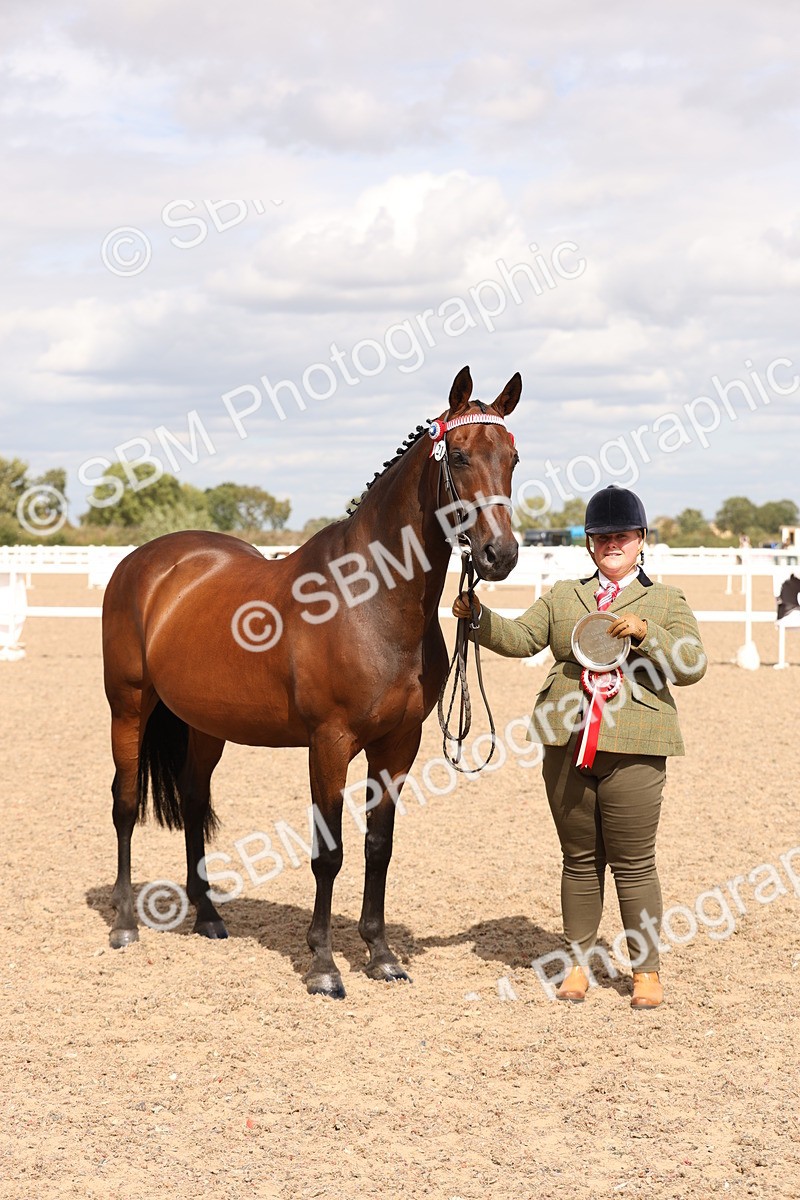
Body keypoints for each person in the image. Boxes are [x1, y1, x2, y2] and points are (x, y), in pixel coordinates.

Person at [452, 485, 706, 1009]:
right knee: (579, 859)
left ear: (640, 541)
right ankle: (576, 963)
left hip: (636, 743)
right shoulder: (565, 595)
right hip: (566, 742)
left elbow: (691, 665)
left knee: (635, 863)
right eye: (602, 536)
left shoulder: (666, 600)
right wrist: (477, 617)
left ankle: (646, 972)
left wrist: (646, 632)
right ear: (590, 544)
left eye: (623, 536)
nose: (613, 544)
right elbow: (522, 637)